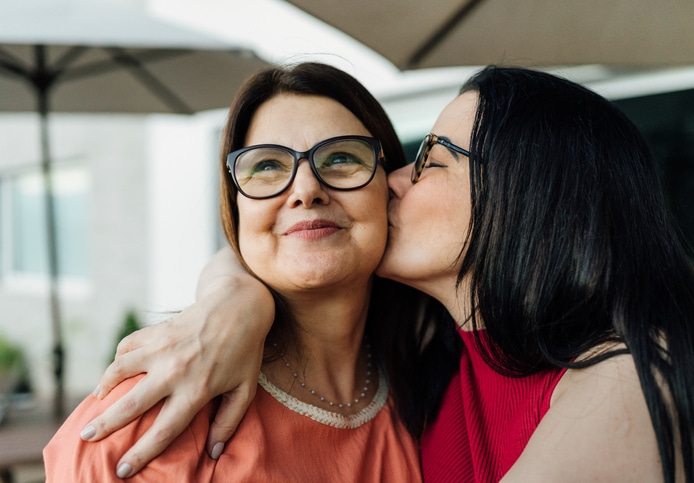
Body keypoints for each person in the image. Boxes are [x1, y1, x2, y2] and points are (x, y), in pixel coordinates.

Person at [79, 67, 694, 482]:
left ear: (527, 196)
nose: (391, 180)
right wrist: (233, 300)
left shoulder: (628, 372)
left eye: (432, 160)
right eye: (267, 169)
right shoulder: (436, 354)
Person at [43, 62, 432, 482]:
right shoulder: (162, 407)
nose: (305, 191)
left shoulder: (431, 384)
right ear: (236, 208)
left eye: (341, 158)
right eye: (266, 166)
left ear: (389, 188)